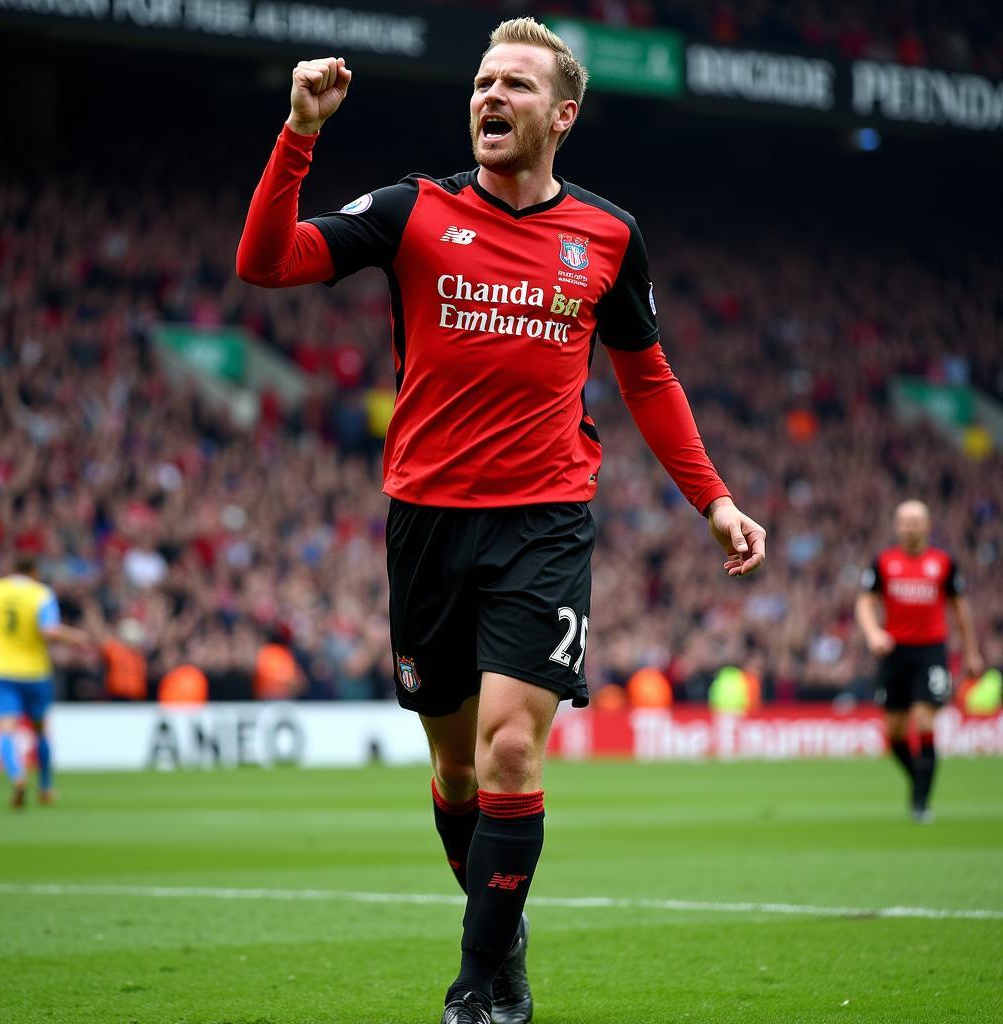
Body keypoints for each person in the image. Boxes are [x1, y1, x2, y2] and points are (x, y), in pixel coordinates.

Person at [237, 18, 766, 1024]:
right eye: (481, 81)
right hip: (426, 521)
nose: (490, 97)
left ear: (562, 115)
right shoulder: (412, 211)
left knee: (513, 752)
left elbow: (646, 376)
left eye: (514, 85)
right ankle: (502, 931)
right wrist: (298, 133)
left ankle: (479, 980)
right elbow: (267, 263)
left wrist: (715, 498)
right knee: (455, 768)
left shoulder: (608, 233)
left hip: (545, 520)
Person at [856, 499, 982, 823]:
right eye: (905, 522)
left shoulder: (943, 563)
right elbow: (865, 603)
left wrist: (971, 651)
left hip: (931, 651)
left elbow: (960, 609)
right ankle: (920, 779)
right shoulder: (883, 562)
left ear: (927, 526)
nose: (910, 527)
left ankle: (921, 803)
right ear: (897, 526)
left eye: (916, 522)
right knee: (894, 734)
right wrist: (873, 633)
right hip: (894, 652)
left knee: (924, 721)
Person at [0, 555, 93, 807]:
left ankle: (18, 776)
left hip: (0, 670)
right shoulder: (40, 593)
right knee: (41, 730)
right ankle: (45, 788)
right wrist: (77, 637)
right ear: (33, 572)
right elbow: (48, 630)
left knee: (5, 730)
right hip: (35, 672)